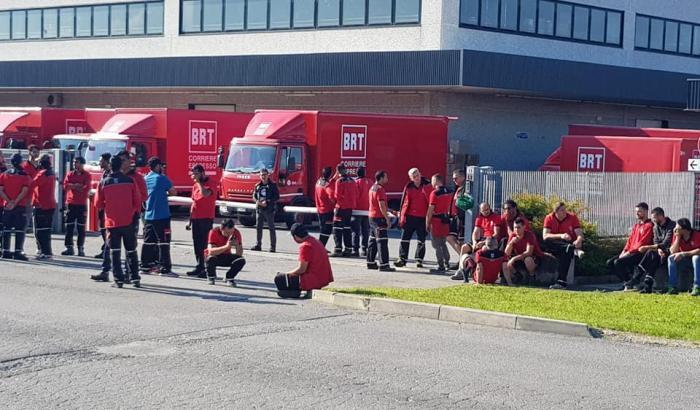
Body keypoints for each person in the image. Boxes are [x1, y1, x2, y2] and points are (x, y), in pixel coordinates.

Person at [95, 156, 142, 288]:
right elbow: (138, 201)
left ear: (110, 166)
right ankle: (135, 278)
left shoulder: (104, 182)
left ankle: (118, 280)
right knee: (131, 250)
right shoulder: (130, 180)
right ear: (121, 166)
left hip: (112, 222)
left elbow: (98, 203)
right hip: (128, 221)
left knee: (115, 252)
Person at [275, 223, 334, 299]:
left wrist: (287, 273)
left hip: (314, 279)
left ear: (295, 236)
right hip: (323, 278)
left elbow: (302, 269)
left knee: (279, 278)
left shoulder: (305, 246)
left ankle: (293, 291)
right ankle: (293, 290)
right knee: (287, 277)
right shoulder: (315, 240)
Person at [140, 157, 176, 276]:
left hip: (148, 215)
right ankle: (165, 268)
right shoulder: (162, 178)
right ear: (157, 166)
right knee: (164, 242)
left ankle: (145, 266)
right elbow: (173, 192)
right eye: (161, 166)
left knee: (148, 242)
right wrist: (164, 192)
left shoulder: (145, 179)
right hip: (162, 215)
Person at [607, 203, 654, 290]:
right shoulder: (636, 226)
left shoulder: (649, 225)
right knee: (610, 262)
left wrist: (628, 252)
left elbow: (642, 243)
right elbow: (630, 240)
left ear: (646, 211)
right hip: (631, 251)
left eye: (639, 211)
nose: (637, 213)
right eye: (636, 211)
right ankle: (628, 282)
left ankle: (630, 283)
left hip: (639, 253)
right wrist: (624, 251)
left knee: (618, 262)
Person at [542, 202, 585, 290]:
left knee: (566, 252)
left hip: (568, 244)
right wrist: (561, 235)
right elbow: (545, 236)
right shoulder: (549, 218)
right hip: (555, 245)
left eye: (565, 209)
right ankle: (572, 249)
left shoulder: (572, 217)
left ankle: (561, 283)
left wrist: (578, 240)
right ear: (556, 212)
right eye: (562, 210)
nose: (565, 212)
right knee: (547, 241)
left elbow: (580, 234)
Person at [395, 168, 432, 268]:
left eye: (417, 174)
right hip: (410, 217)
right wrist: (402, 217)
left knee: (421, 240)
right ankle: (402, 259)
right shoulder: (408, 187)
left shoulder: (427, 185)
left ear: (420, 174)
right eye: (413, 176)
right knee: (404, 239)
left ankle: (419, 260)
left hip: (422, 218)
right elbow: (403, 203)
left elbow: (432, 202)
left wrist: (430, 219)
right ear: (411, 178)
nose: (416, 177)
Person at [633, 208, 675, 294]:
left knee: (650, 253)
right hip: (659, 252)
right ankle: (647, 285)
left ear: (661, 216)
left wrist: (648, 247)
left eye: (654, 218)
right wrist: (659, 249)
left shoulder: (672, 225)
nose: (653, 220)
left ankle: (638, 276)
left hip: (670, 251)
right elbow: (655, 241)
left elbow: (667, 242)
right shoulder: (655, 227)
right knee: (653, 258)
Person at [186, 164, 216, 277]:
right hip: (196, 218)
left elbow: (206, 194)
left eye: (197, 173)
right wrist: (189, 220)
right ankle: (199, 266)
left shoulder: (210, 183)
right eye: (193, 174)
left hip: (206, 218)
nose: (194, 176)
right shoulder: (195, 186)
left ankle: (208, 268)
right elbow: (194, 203)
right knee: (197, 244)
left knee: (205, 244)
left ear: (203, 173)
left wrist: (199, 182)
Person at [0, 154, 31, 261]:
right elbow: (24, 190)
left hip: (7, 206)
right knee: (19, 229)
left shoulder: (4, 174)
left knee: (6, 229)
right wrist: (15, 202)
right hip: (19, 206)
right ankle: (18, 251)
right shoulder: (25, 175)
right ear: (21, 162)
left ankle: (6, 251)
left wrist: (9, 201)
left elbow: (1, 190)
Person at [61, 157, 91, 257]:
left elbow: (86, 188)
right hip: (70, 203)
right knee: (69, 226)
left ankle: (80, 247)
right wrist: (76, 185)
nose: (75, 164)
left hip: (81, 204)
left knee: (81, 227)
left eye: (77, 163)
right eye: (74, 162)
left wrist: (74, 186)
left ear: (82, 164)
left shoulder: (87, 175)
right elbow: (65, 186)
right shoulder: (70, 174)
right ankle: (69, 247)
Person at [90, 153, 113, 282]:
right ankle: (105, 251)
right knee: (104, 233)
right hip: (102, 209)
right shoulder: (104, 173)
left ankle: (108, 269)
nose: (99, 163)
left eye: (101, 161)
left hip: (109, 211)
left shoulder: (110, 175)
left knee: (110, 240)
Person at [366, 170, 395, 272]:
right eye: (386, 177)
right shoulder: (380, 189)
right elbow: (381, 206)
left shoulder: (372, 188)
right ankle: (384, 264)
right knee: (382, 241)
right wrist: (387, 219)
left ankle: (370, 262)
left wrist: (391, 211)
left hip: (371, 217)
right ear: (381, 178)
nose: (387, 179)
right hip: (379, 218)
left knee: (373, 240)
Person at [204, 219, 246, 287]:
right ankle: (211, 277)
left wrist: (238, 245)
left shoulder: (236, 232)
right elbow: (211, 251)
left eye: (231, 233)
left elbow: (239, 254)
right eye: (227, 233)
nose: (229, 235)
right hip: (216, 255)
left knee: (241, 260)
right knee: (210, 258)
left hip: (226, 255)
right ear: (221, 229)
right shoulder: (214, 232)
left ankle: (229, 277)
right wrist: (227, 246)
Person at [503, 218, 543, 286]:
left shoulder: (530, 235)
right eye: (515, 227)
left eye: (519, 227)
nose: (516, 230)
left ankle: (532, 276)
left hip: (533, 257)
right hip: (520, 257)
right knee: (506, 262)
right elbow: (506, 253)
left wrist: (514, 259)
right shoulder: (513, 235)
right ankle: (517, 276)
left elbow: (529, 252)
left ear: (524, 227)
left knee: (528, 260)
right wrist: (511, 243)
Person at [425, 174, 452, 273]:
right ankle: (447, 262)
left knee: (436, 244)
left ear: (436, 181)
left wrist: (427, 222)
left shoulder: (434, 193)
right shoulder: (449, 191)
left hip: (436, 220)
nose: (431, 183)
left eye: (432, 180)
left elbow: (431, 209)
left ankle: (440, 265)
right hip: (445, 219)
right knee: (443, 242)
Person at [32, 154, 57, 260]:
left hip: (41, 205)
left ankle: (45, 252)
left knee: (40, 230)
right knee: (46, 230)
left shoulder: (42, 174)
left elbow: (32, 184)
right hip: (50, 204)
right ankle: (47, 251)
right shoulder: (51, 173)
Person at [667, 218, 700, 296]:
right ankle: (672, 287)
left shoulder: (696, 234)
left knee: (696, 258)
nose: (675, 229)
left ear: (684, 229)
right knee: (671, 258)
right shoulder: (677, 235)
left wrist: (683, 254)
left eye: (677, 227)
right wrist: (677, 238)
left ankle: (697, 287)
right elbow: (672, 251)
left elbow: (699, 251)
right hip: (683, 262)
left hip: (696, 262)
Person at [330, 163, 358, 257]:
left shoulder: (339, 181)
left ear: (338, 171)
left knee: (337, 229)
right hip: (349, 209)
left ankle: (338, 249)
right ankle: (348, 249)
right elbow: (356, 194)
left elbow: (336, 196)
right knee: (347, 229)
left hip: (341, 208)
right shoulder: (352, 181)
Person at [251, 168, 279, 253]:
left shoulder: (273, 185)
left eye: (265, 174)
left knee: (271, 228)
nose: (263, 176)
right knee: (258, 227)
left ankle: (272, 247)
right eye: (262, 175)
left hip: (269, 209)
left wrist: (267, 201)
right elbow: (254, 196)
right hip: (259, 209)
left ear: (268, 175)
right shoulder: (257, 185)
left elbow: (277, 197)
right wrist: (257, 202)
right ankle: (258, 245)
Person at [352, 166, 372, 257]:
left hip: (356, 210)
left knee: (356, 231)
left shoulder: (355, 183)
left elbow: (353, 196)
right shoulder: (370, 182)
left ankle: (355, 249)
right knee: (365, 230)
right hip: (367, 210)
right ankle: (365, 249)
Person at [447, 169, 466, 256]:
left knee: (462, 241)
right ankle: (463, 258)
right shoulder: (458, 188)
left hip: (461, 218)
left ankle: (464, 260)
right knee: (450, 237)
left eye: (456, 178)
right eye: (453, 179)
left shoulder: (465, 189)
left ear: (463, 177)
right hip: (455, 217)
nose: (454, 180)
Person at [314, 166, 335, 248]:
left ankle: (321, 247)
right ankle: (321, 247)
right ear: (330, 174)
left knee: (323, 229)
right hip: (327, 210)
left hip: (320, 209)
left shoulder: (318, 182)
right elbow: (332, 197)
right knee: (326, 230)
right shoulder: (327, 185)